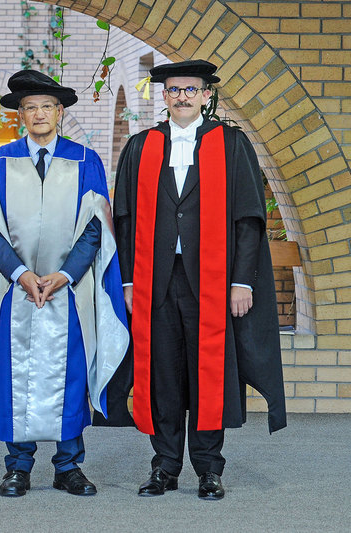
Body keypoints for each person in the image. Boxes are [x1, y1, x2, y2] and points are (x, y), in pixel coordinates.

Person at [112, 59, 287, 500]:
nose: (182, 97)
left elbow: (249, 218)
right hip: (157, 279)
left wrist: (243, 281)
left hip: (212, 281)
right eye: (174, 90)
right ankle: (164, 467)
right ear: (164, 96)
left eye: (191, 89)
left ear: (206, 95)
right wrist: (130, 281)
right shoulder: (140, 146)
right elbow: (126, 220)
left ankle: (209, 468)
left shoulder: (231, 144)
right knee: (164, 374)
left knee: (208, 372)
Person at [0, 70, 130, 498]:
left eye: (47, 106)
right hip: (14, 290)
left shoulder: (85, 160)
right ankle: (18, 466)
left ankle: (68, 465)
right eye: (30, 107)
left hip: (70, 291)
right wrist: (20, 274)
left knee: (72, 374)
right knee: (15, 373)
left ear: (60, 112)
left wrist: (65, 274)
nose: (39, 113)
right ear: (19, 115)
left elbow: (97, 228)